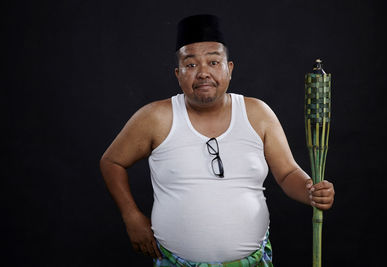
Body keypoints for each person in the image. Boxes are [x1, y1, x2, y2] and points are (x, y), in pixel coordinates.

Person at [99, 14, 335, 266]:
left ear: (229, 69)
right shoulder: (155, 117)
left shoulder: (257, 113)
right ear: (178, 74)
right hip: (176, 262)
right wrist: (131, 216)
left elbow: (287, 173)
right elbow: (112, 161)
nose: (202, 73)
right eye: (191, 65)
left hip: (253, 262)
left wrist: (311, 191)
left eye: (213, 62)